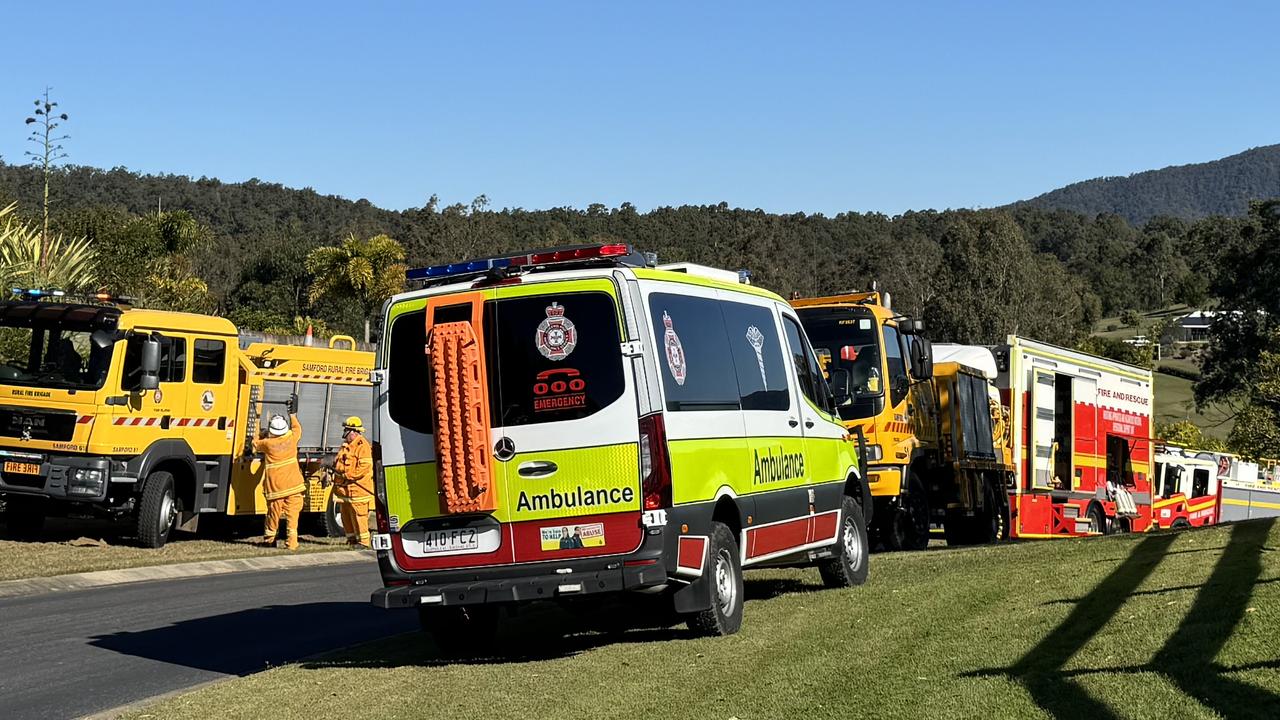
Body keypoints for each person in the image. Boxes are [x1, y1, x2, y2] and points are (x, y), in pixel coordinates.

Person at [252, 404, 305, 550]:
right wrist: (292, 414)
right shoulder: (292, 439)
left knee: (273, 515)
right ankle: (292, 544)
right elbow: (297, 429)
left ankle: (270, 540)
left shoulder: (268, 444)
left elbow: (254, 444)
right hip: (295, 486)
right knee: (293, 517)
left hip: (277, 489)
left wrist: (260, 434)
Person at [332, 415, 374, 547]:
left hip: (358, 490)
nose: (345, 435)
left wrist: (348, 475)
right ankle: (352, 540)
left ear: (355, 432)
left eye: (347, 432)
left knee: (359, 516)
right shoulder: (346, 445)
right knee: (346, 516)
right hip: (345, 490)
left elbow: (364, 466)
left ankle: (363, 542)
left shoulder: (363, 446)